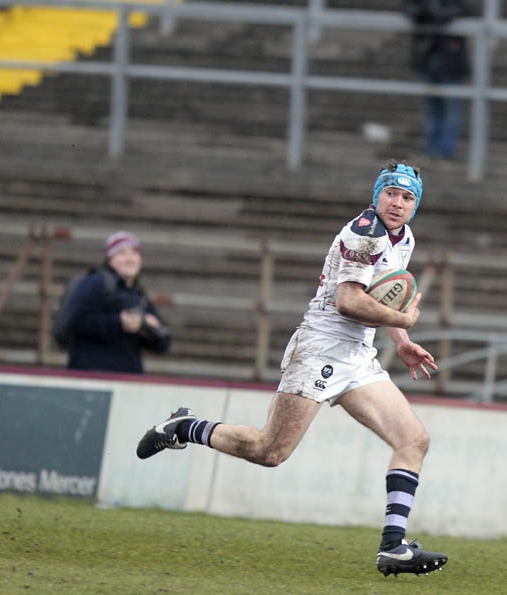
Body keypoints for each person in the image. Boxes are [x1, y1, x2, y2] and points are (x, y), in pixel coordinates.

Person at [136, 161, 447, 577]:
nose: (397, 203)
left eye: (407, 197)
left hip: (357, 355)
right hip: (320, 348)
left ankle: (393, 547)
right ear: (377, 195)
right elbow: (349, 301)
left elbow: (382, 295)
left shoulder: (403, 237)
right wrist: (404, 320)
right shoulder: (365, 232)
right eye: (391, 193)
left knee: (413, 439)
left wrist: (402, 341)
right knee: (269, 451)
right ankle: (184, 428)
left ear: (415, 205)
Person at [66, 230, 170, 374]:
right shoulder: (95, 283)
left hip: (127, 380)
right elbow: (76, 321)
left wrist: (146, 327)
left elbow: (164, 342)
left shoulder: (139, 295)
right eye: (122, 253)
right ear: (110, 259)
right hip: (92, 376)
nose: (130, 259)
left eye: (134, 253)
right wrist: (119, 322)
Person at [403, 0, 472, 160]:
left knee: (451, 107)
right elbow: (409, 9)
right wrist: (427, 12)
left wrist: (436, 13)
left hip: (451, 60)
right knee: (432, 105)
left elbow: (465, 10)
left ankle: (445, 149)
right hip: (428, 57)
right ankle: (432, 147)